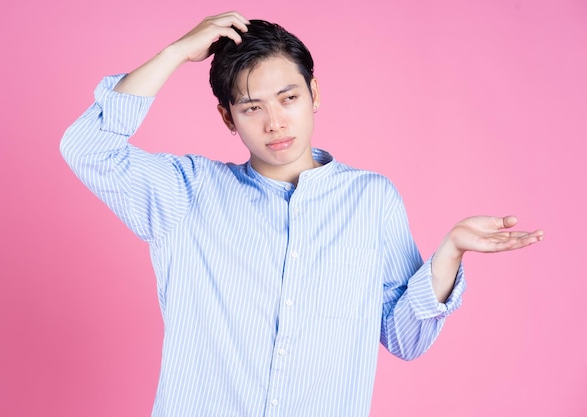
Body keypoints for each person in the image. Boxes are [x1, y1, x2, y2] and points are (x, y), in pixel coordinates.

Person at [60, 11, 544, 417]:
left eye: (289, 98)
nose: (275, 123)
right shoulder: (186, 193)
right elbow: (87, 148)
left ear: (313, 93)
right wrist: (174, 53)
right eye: (252, 108)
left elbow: (405, 338)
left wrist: (450, 253)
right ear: (228, 118)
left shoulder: (371, 201)